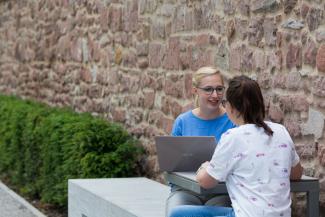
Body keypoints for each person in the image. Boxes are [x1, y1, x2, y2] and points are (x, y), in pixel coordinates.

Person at [169, 75, 303, 217]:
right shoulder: (280, 130)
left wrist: (206, 166)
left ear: (231, 107)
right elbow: (296, 174)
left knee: (178, 213)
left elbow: (205, 181)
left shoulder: (233, 137)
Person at [166, 66, 236, 217]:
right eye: (208, 89)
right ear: (195, 90)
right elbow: (171, 166)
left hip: (220, 192)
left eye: (219, 89)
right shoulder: (182, 122)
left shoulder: (233, 121)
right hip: (186, 191)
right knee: (174, 212)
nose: (215, 95)